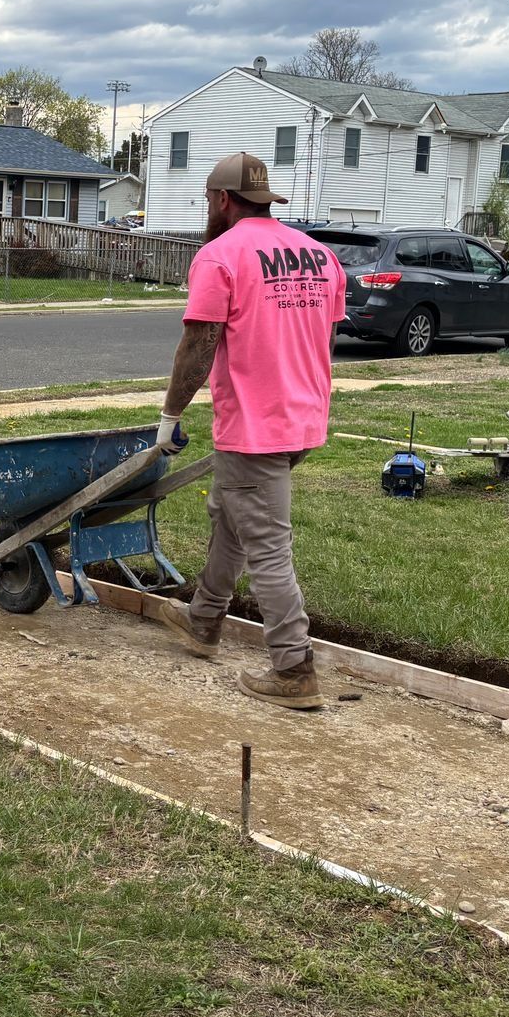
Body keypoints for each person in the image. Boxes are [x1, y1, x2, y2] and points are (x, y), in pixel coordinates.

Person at [145, 152, 347, 710]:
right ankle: (204, 620)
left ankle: (293, 667)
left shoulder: (221, 256)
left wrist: (169, 418)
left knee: (266, 543)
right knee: (231, 514)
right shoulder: (319, 256)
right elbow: (324, 341)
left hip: (255, 424)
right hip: (303, 420)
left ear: (221, 200)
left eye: (208, 200)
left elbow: (200, 344)